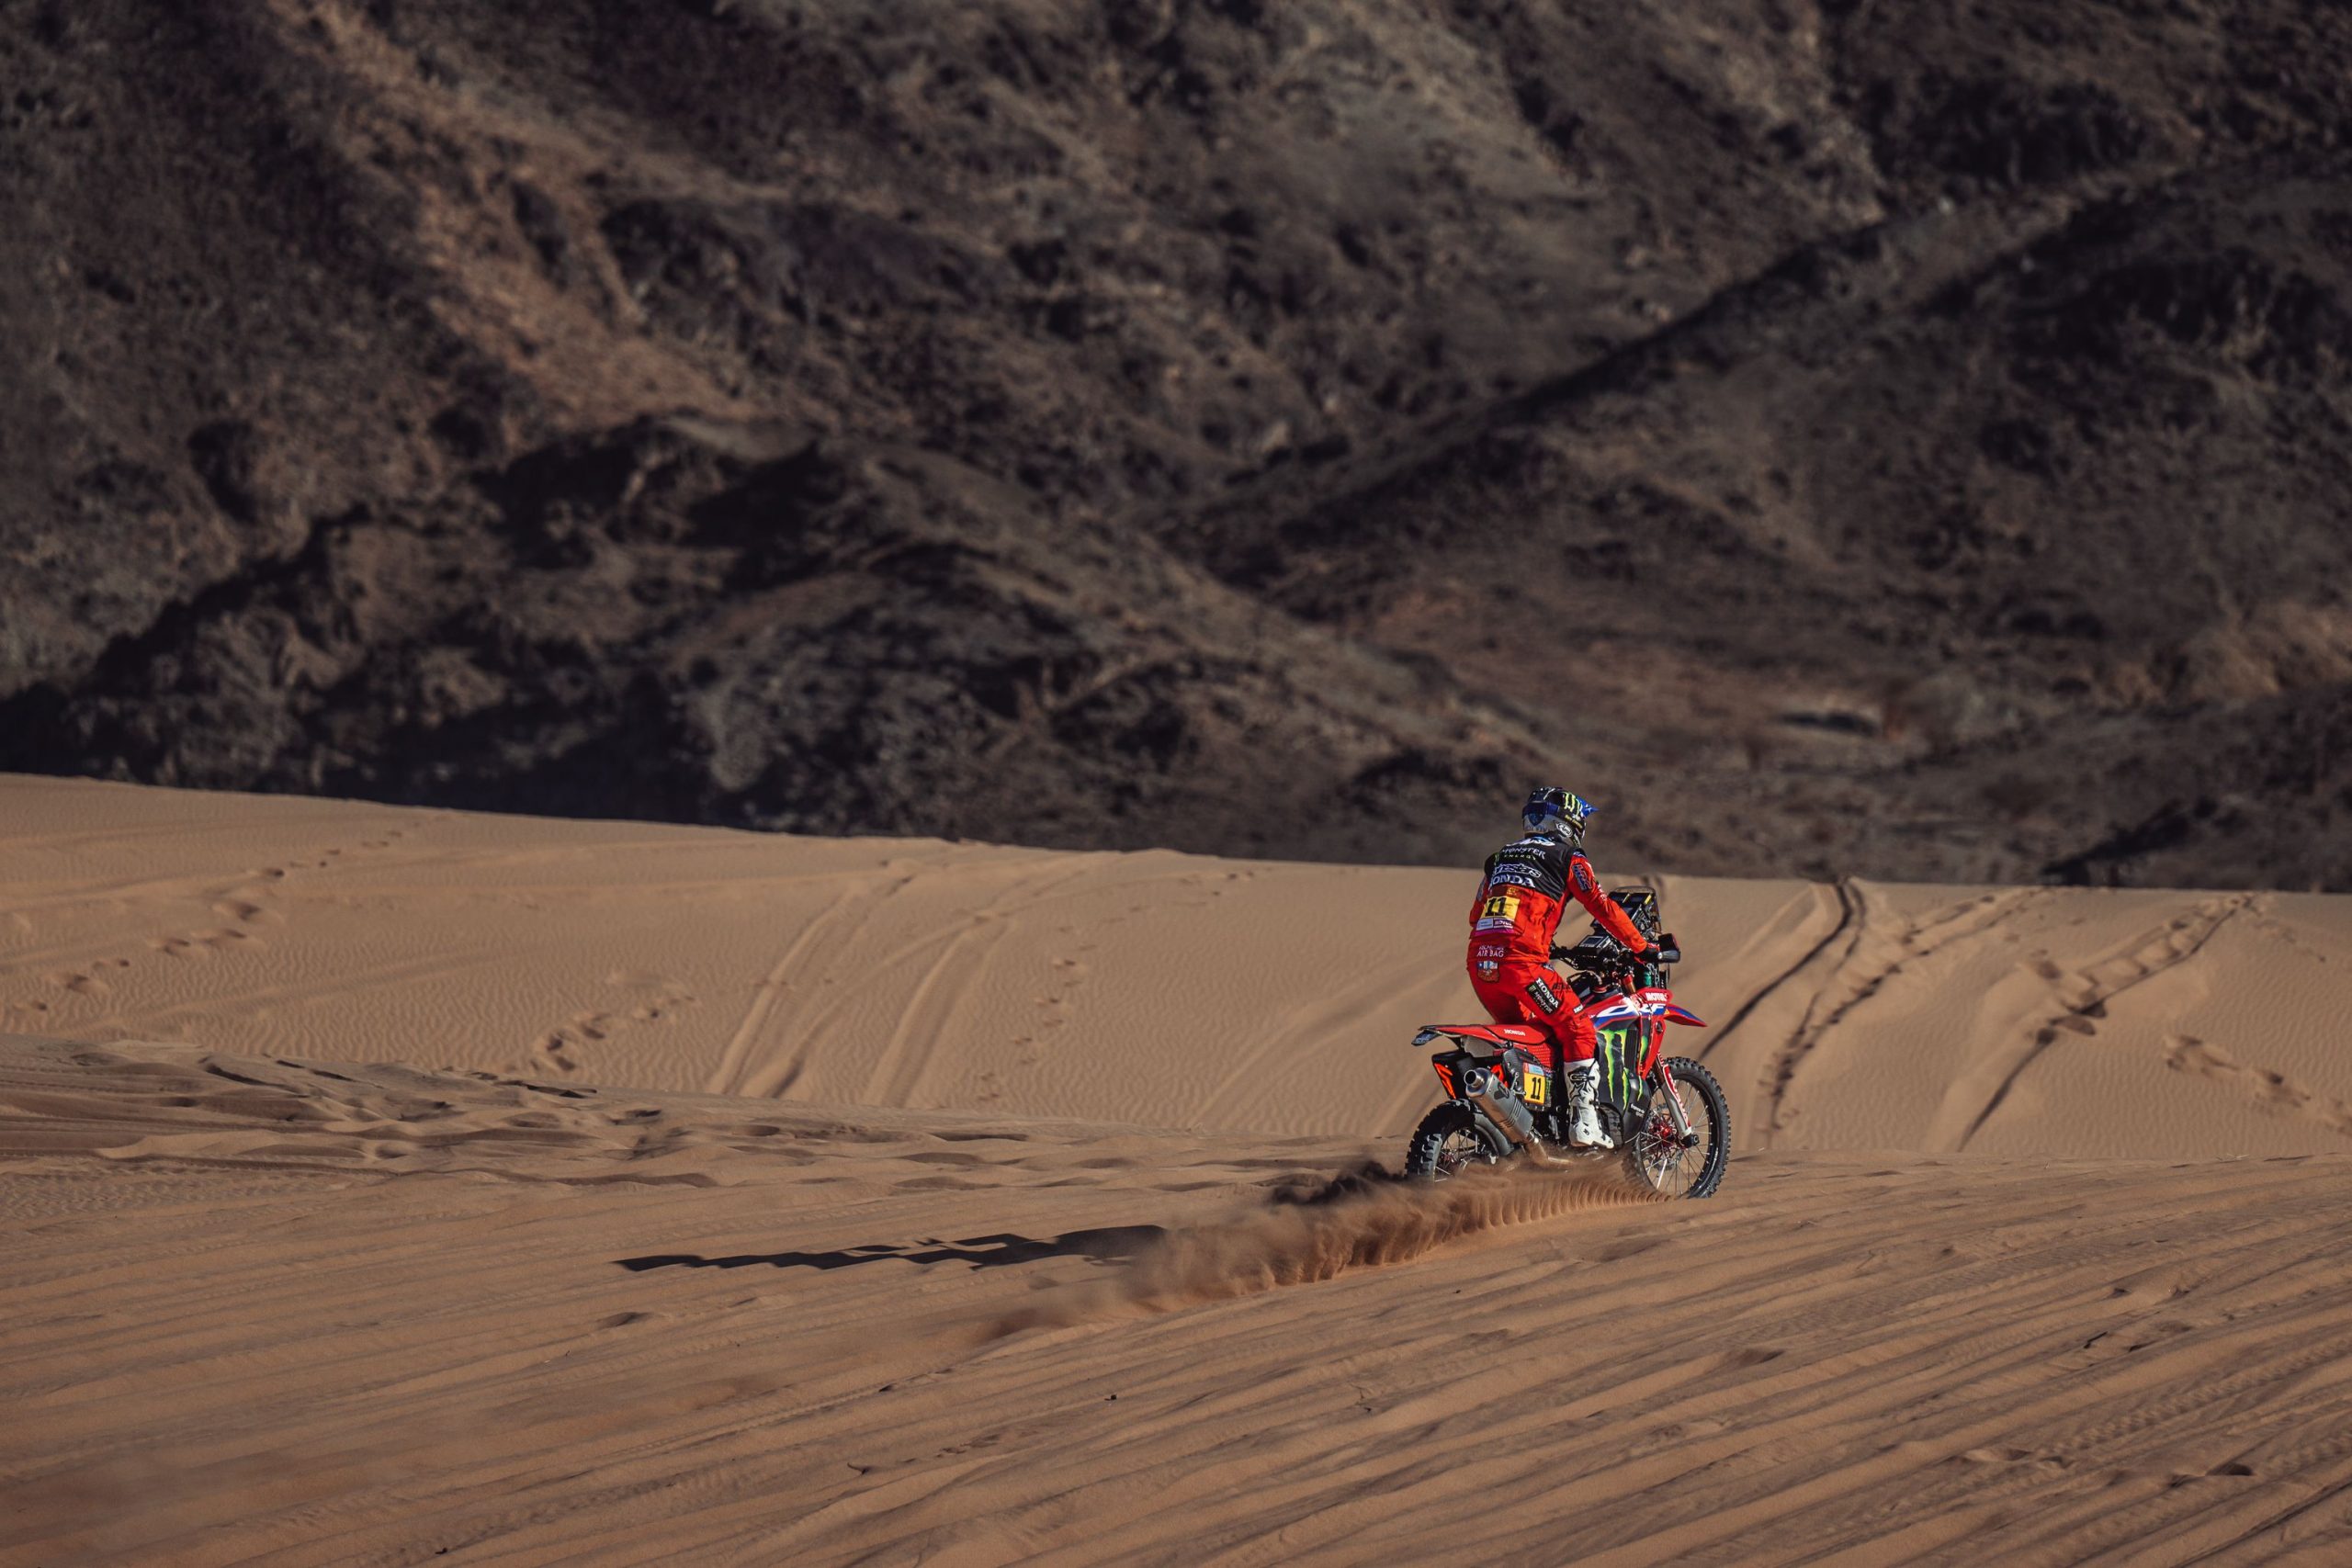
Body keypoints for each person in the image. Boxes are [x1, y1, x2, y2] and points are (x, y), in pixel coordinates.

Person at [1466, 785, 1663, 1150]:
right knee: (1579, 1031)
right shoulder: (1569, 857)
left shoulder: (1500, 859)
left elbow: (1476, 915)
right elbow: (1601, 905)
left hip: (1481, 964)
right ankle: (1584, 1123)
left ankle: (1525, 1126)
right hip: (1522, 965)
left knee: (1529, 1040)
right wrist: (1642, 946)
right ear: (1569, 822)